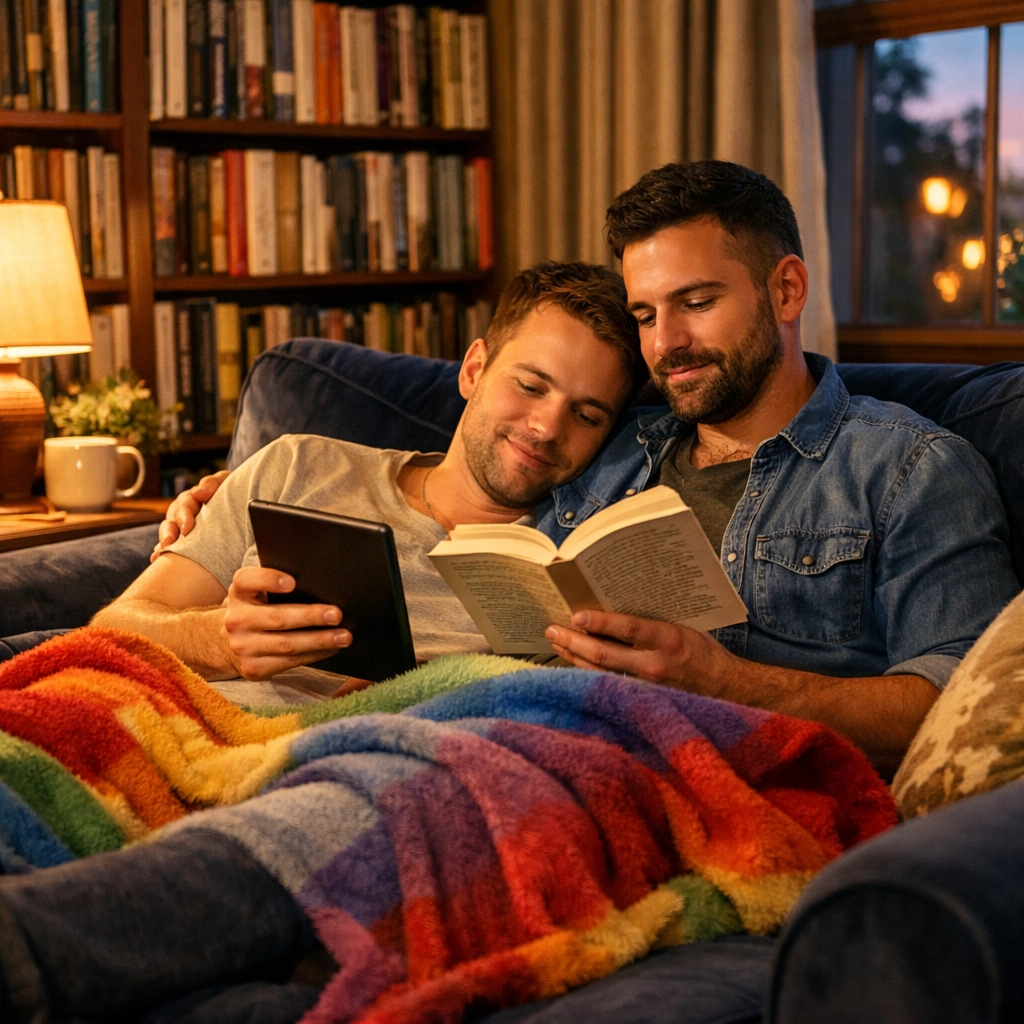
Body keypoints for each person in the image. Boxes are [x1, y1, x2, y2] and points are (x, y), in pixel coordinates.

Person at [157, 162, 1018, 778]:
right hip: (521, 751)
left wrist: (722, 681)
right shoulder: (611, 449)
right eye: (646, 313)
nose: (665, 344)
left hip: (720, 784)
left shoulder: (910, 469)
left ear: (786, 290)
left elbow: (954, 708)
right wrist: (220, 498)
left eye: (697, 302)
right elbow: (474, 471)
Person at [92, 262, 645, 683]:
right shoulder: (297, 466)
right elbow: (115, 628)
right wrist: (216, 637)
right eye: (529, 385)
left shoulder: (575, 567)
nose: (548, 427)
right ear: (475, 369)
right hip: (191, 726)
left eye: (587, 414)